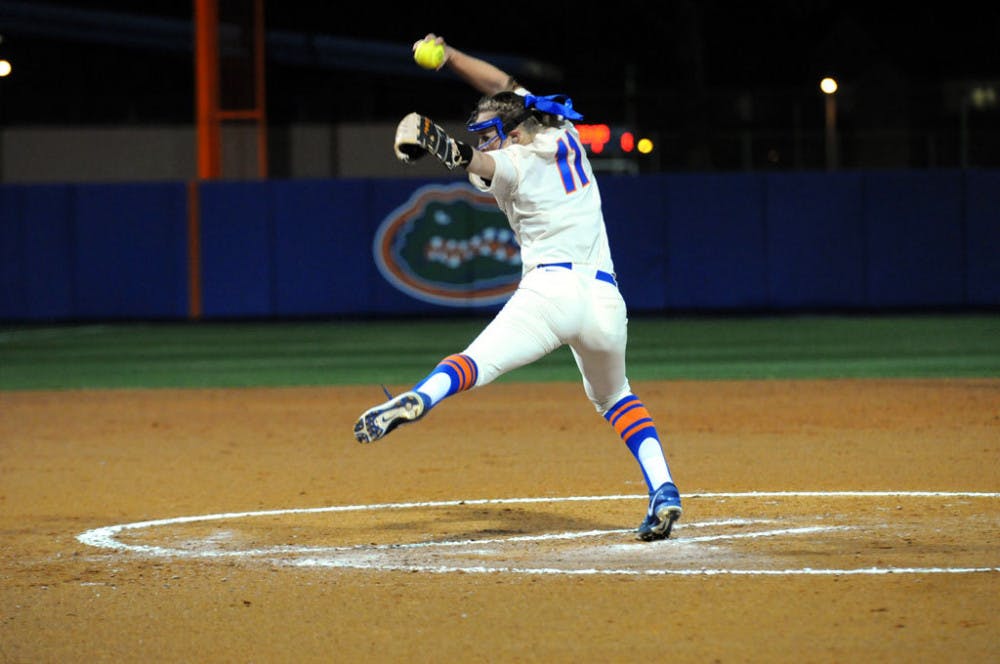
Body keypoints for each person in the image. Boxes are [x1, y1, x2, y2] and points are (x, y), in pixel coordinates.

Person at [353, 34, 682, 541]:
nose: (486, 140)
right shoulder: (561, 132)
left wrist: (430, 136)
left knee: (473, 362)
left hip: (549, 294)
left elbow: (473, 160)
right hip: (604, 302)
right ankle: (663, 489)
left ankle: (420, 397)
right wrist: (451, 58)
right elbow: (505, 89)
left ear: (511, 131)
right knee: (616, 396)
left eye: (491, 133)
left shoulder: (511, 164)